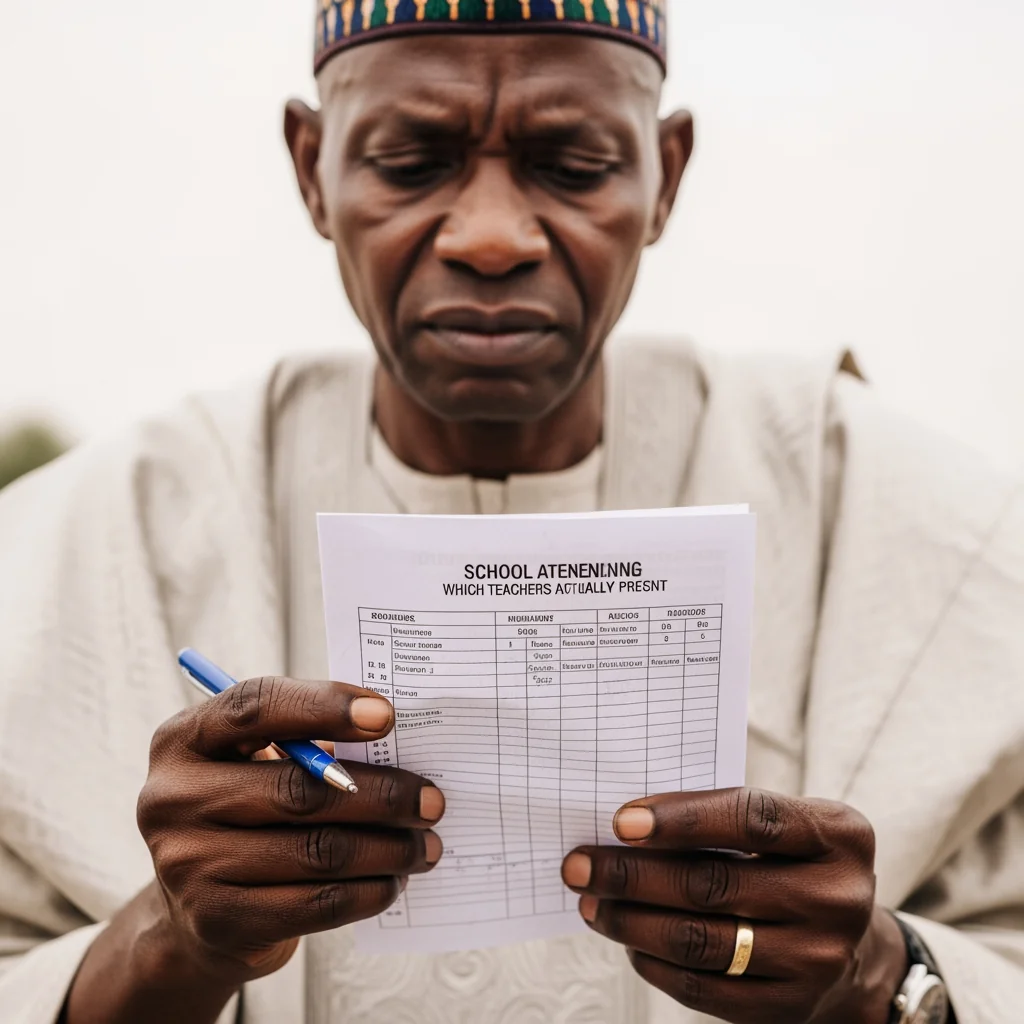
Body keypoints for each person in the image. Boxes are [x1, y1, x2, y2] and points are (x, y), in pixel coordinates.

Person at [0, 2, 1021, 1022]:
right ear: (312, 166)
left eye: (572, 166)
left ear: (664, 174)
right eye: (409, 162)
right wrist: (171, 940)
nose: (491, 237)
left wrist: (885, 976)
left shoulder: (913, 520)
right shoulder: (89, 544)